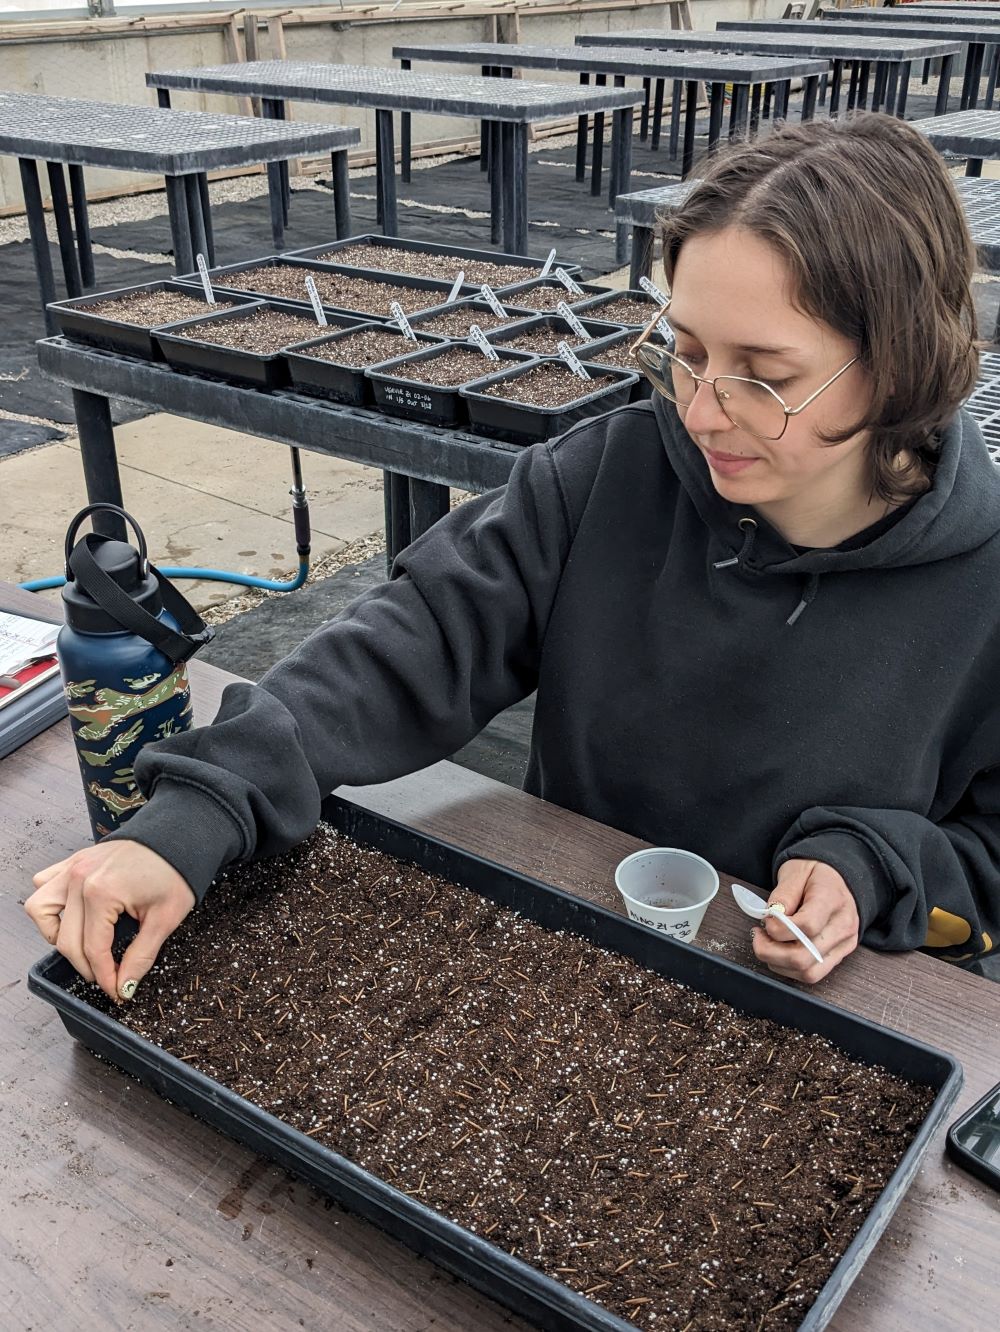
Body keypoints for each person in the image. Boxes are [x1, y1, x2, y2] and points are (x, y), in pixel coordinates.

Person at [26, 112, 1000, 1002]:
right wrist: (208, 803)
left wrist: (872, 865)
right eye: (688, 351)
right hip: (566, 948)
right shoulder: (609, 474)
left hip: (815, 1006)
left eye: (764, 375)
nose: (702, 410)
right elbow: (407, 644)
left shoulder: (982, 585)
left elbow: (986, 866)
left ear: (903, 360)